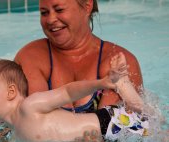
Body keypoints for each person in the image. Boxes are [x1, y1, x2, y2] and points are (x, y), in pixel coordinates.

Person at [0, 53, 148, 142]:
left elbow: (68, 92)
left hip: (108, 123)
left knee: (158, 137)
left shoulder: (29, 107)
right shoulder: (14, 134)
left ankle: (122, 84)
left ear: (11, 92)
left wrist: (102, 83)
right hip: (103, 138)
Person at [14, 0, 143, 113]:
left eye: (59, 10)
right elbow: (31, 123)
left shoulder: (117, 64)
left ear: (87, 6)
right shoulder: (31, 58)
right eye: (44, 12)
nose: (50, 19)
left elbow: (114, 131)